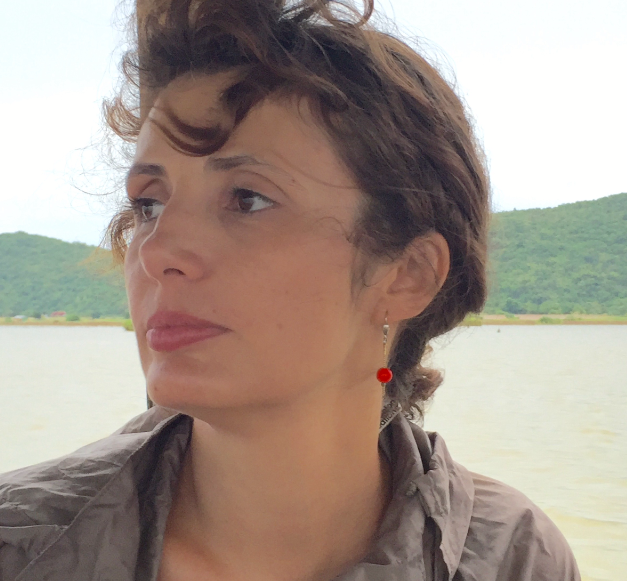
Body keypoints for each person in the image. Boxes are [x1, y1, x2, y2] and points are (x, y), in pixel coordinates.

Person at [0, 1, 580, 579]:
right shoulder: (19, 546)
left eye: (247, 199)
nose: (155, 253)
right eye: (149, 204)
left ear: (409, 274)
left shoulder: (514, 559)